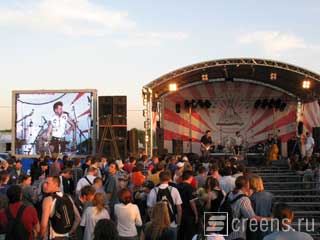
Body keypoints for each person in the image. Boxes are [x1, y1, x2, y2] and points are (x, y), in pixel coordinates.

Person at [147, 170, 182, 240]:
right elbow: (179, 209)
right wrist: (179, 222)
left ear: (159, 179)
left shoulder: (153, 191)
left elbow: (150, 209)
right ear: (169, 179)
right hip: (172, 222)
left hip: (157, 224)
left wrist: (152, 220)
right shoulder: (174, 190)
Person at [248, 175, 273, 240]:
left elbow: (250, 214)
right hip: (268, 225)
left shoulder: (252, 198)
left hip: (255, 226)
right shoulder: (270, 195)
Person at [177, 171, 198, 240]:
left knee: (180, 233)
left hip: (178, 213)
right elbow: (193, 202)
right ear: (190, 178)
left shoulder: (177, 186)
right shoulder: (191, 188)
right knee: (189, 234)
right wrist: (196, 214)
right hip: (189, 214)